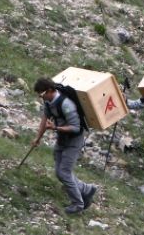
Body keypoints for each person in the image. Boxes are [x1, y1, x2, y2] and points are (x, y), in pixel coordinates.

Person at [32, 78, 98, 215]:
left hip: (74, 141)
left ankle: (78, 204)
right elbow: (44, 120)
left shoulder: (66, 104)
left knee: (64, 172)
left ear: (50, 90)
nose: (41, 97)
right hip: (62, 138)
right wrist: (37, 138)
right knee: (59, 172)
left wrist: (56, 128)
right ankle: (86, 189)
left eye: (42, 94)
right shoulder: (48, 102)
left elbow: (76, 127)